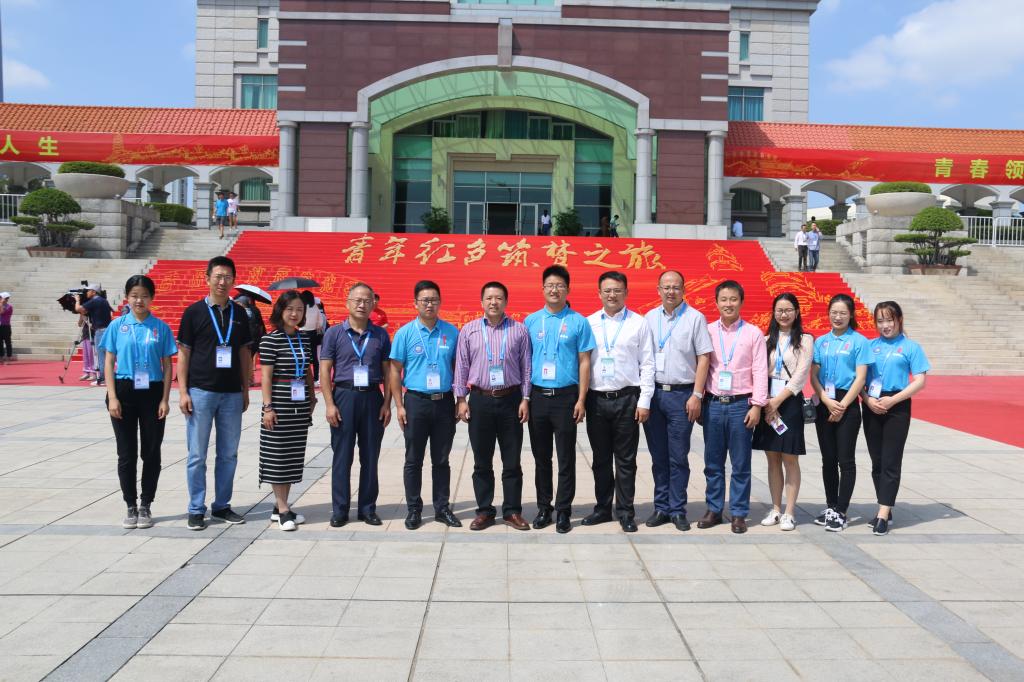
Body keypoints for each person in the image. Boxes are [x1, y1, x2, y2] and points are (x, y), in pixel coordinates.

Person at [177, 256, 252, 531]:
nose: (222, 282)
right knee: (197, 454)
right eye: (218, 276)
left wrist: (245, 388)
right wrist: (183, 392)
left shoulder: (240, 314)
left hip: (231, 393)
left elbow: (244, 353)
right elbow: (184, 354)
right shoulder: (194, 312)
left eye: (228, 277)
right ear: (207, 278)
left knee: (228, 454)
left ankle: (221, 505)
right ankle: (196, 508)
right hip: (200, 392)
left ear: (234, 281)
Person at [454, 282, 532, 531]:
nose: (493, 302)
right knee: (481, 461)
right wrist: (461, 399)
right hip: (480, 400)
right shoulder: (469, 330)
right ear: (481, 302)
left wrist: (525, 398)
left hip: (511, 400)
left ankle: (512, 511)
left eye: (498, 298)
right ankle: (485, 511)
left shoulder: (519, 330)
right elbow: (461, 366)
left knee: (512, 461)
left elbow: (526, 367)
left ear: (506, 302)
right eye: (489, 298)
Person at [524, 265, 596, 533]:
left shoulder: (579, 321)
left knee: (566, 457)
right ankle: (544, 508)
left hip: (566, 397)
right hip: (538, 396)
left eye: (560, 285)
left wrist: (581, 399)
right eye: (550, 285)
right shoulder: (531, 321)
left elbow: (585, 361)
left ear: (568, 289)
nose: (554, 290)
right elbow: (524, 362)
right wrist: (525, 398)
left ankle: (564, 510)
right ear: (542, 289)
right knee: (541, 457)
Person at [101, 275, 177, 530]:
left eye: (144, 296)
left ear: (152, 298)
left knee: (151, 452)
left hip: (152, 393)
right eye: (134, 295)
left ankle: (146, 503)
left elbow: (168, 366)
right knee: (126, 453)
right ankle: (130, 504)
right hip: (123, 391)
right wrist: (112, 397)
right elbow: (109, 362)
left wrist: (165, 399)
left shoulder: (161, 328)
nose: (139, 300)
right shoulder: (117, 326)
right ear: (127, 297)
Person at [583, 271, 655, 533]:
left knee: (626, 460)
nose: (612, 295)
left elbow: (648, 363)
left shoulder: (639, 323)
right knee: (600, 459)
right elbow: (583, 362)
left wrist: (644, 400)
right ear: (599, 293)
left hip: (627, 398)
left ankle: (625, 511)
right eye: (607, 290)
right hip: (596, 399)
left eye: (617, 290)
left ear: (626, 292)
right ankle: (603, 508)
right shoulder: (589, 323)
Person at [388, 280, 461, 530]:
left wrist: (460, 399)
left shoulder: (451, 332)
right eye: (425, 300)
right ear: (415, 303)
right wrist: (399, 405)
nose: (430, 304)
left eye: (434, 300)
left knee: (441, 459)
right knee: (413, 459)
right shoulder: (405, 333)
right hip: (416, 402)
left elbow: (458, 368)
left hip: (444, 402)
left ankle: (442, 508)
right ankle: (414, 509)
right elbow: (395, 371)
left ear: (440, 302)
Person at [642, 271, 712, 531]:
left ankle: (678, 509)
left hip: (683, 396)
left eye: (675, 287)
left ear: (684, 290)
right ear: (658, 289)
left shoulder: (695, 318)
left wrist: (697, 395)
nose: (670, 291)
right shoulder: (649, 318)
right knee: (658, 455)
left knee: (678, 456)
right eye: (666, 287)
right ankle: (661, 507)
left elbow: (704, 358)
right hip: (655, 394)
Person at [320, 282, 392, 527]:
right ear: (347, 303)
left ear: (373, 304)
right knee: (342, 456)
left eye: (367, 301)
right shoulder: (334, 333)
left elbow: (388, 372)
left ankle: (367, 509)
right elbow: (325, 370)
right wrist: (329, 404)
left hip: (372, 398)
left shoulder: (380, 335)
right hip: (344, 397)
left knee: (370, 456)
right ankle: (340, 510)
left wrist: (387, 403)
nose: (362, 305)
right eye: (357, 300)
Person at [699, 280, 768, 534]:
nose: (728, 304)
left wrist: (757, 405)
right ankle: (714, 509)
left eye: (733, 299)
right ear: (716, 302)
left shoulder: (753, 333)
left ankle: (739, 513)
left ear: (741, 301)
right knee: (713, 462)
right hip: (713, 404)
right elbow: (701, 366)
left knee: (740, 463)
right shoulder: (707, 331)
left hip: (741, 405)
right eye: (724, 299)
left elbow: (760, 370)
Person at [861, 301, 929, 536]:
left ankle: (882, 514)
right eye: (880, 321)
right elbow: (859, 379)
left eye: (889, 320)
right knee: (877, 461)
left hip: (897, 406)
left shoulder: (911, 347)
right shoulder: (869, 346)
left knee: (891, 460)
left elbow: (920, 381)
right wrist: (867, 400)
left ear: (899, 320)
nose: (885, 325)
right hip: (872, 404)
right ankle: (885, 504)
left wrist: (893, 400)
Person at [810, 293, 873, 532]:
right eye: (834, 313)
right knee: (828, 459)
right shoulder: (821, 342)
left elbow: (861, 378)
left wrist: (842, 405)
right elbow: (814, 375)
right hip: (825, 402)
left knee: (845, 460)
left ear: (851, 315)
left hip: (848, 403)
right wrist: (826, 400)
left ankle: (842, 511)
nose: (837, 317)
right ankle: (831, 506)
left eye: (843, 313)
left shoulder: (859, 341)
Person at [752, 293, 813, 531]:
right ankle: (776, 508)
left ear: (796, 312)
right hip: (766, 401)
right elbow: (759, 371)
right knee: (772, 457)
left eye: (788, 310)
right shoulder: (766, 339)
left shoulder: (805, 340)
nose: (784, 314)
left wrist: (776, 402)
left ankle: (789, 512)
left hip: (788, 403)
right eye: (779, 310)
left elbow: (800, 375)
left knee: (790, 458)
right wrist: (766, 403)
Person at [259, 290, 316, 532]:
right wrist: (268, 407)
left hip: (299, 406)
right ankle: (283, 510)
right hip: (279, 405)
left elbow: (308, 370)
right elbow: (266, 377)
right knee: (278, 456)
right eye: (290, 308)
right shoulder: (270, 340)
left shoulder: (303, 338)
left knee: (293, 457)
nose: (295, 313)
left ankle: (279, 506)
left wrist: (312, 396)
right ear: (280, 310)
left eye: (299, 309)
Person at [76, 283, 113, 386]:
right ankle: (108, 377)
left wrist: (77, 300)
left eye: (88, 290)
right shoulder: (104, 301)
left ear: (93, 292)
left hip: (100, 331)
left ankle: (103, 378)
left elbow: (78, 309)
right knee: (106, 356)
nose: (87, 292)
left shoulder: (95, 301)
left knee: (101, 356)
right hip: (106, 330)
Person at [235, 295, 266, 388]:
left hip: (246, 340)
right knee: (249, 359)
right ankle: (250, 379)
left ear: (242, 303)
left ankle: (248, 380)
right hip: (254, 338)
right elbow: (261, 324)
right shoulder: (255, 310)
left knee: (245, 360)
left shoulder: (241, 312)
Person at [299, 291, 325, 384]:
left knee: (302, 356)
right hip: (313, 334)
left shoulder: (301, 308)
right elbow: (320, 322)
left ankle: (301, 376)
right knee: (314, 357)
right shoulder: (315, 308)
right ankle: (316, 378)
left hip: (302, 333)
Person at [0, 292, 12, 364]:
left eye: (1, 297)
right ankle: (1, 357)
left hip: (6, 326)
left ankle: (9, 357)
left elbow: (1, 312)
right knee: (0, 342)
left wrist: (1, 304)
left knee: (8, 342)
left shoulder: (9, 306)